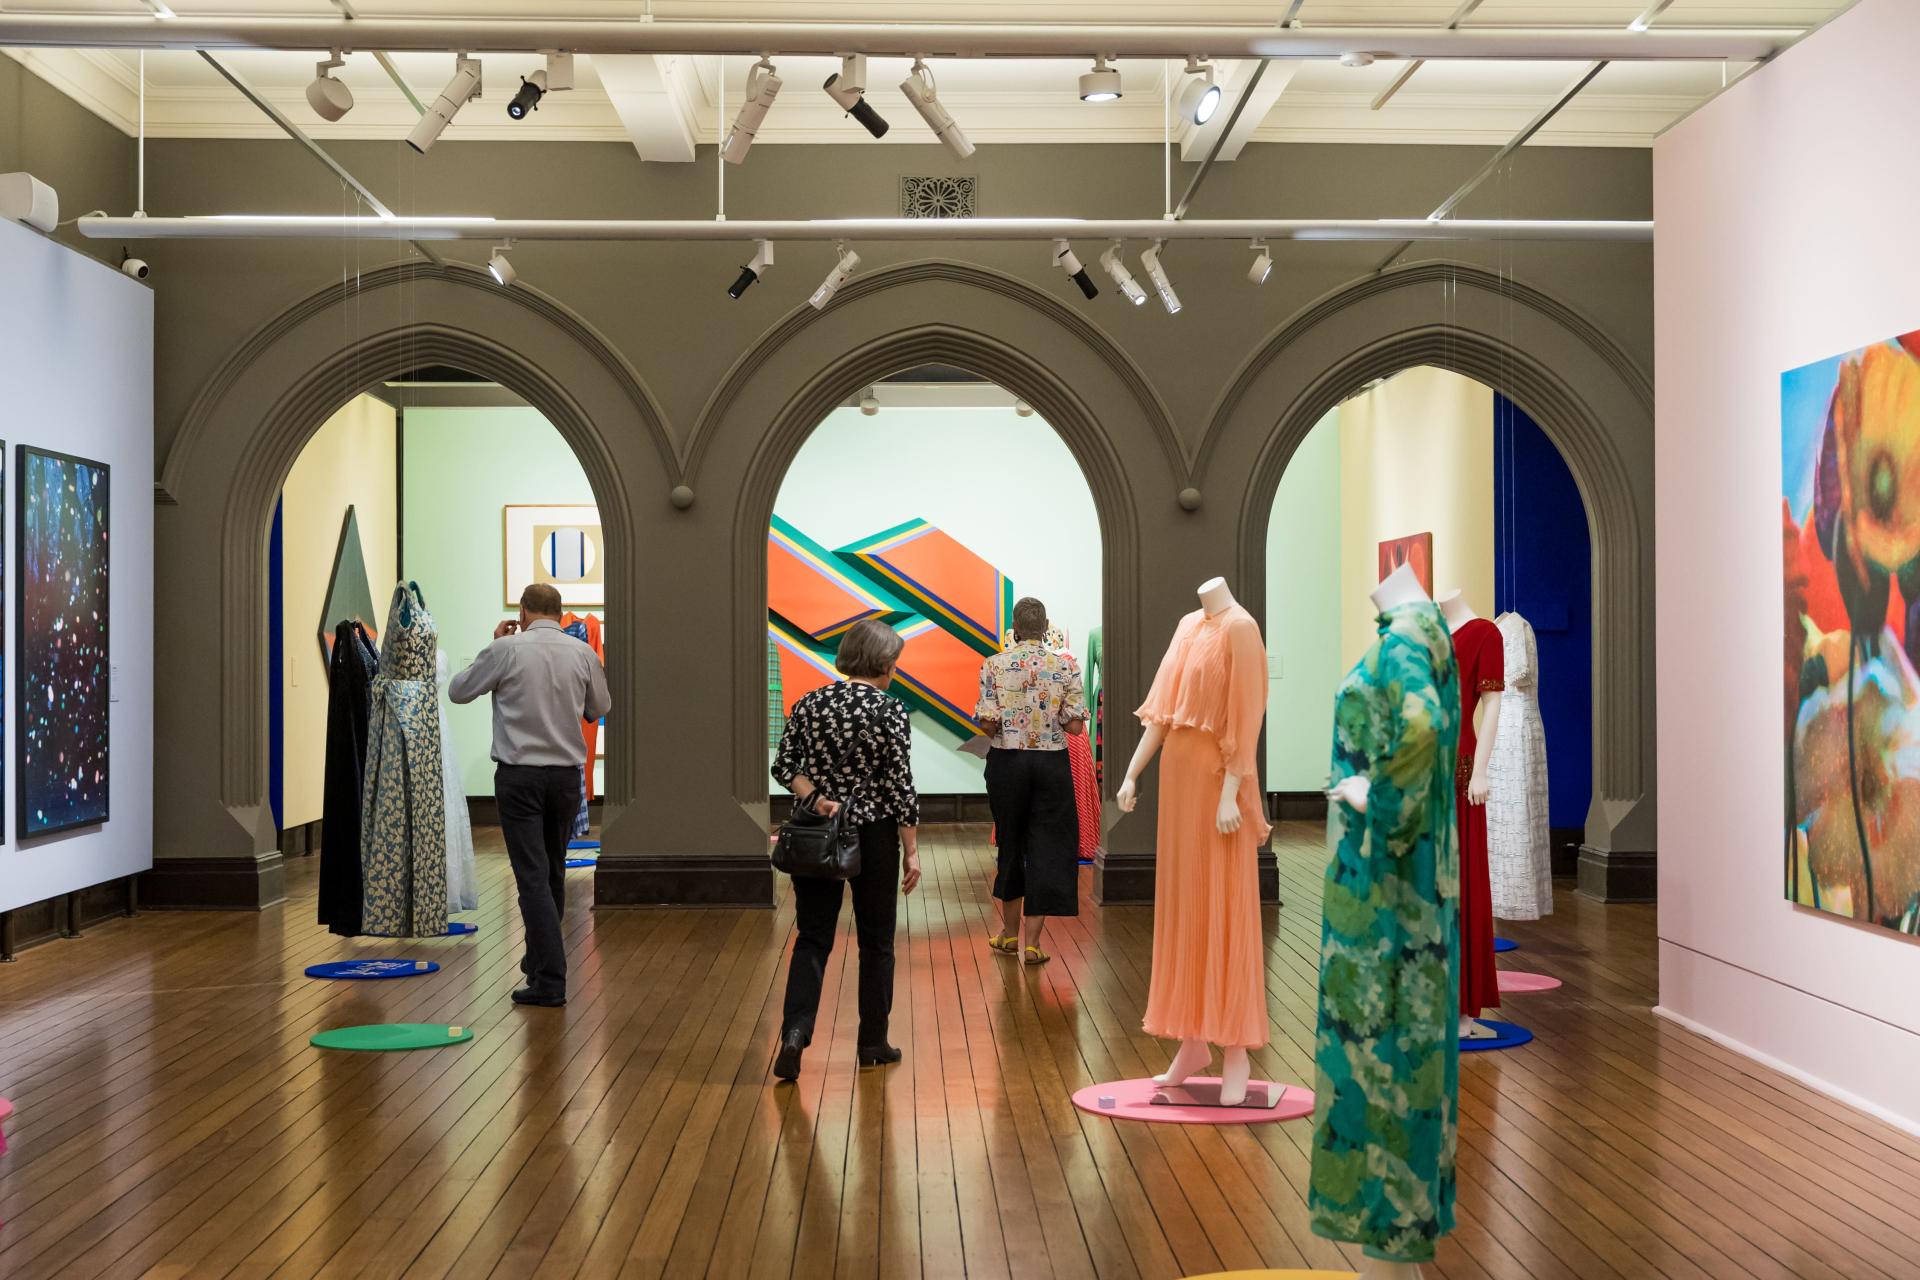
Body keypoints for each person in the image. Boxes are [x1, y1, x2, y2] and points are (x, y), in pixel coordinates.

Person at [770, 617, 922, 1081]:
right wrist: (911, 851)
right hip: (872, 837)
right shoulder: (890, 710)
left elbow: (784, 766)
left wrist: (816, 799)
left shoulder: (811, 702)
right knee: (876, 943)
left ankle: (795, 1033)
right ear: (883, 663)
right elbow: (900, 786)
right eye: (894, 661)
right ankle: (873, 1042)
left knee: (812, 938)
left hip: (818, 832)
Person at [449, 582, 611, 1008]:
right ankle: (539, 964)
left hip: (519, 777)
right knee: (553, 872)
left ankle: (551, 978)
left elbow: (459, 690)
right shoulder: (583, 653)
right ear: (560, 613)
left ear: (522, 612)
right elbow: (602, 706)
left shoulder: (507, 650)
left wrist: (494, 644)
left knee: (532, 878)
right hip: (565, 779)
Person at [974, 596, 1088, 965]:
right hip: (1051, 765)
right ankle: (1034, 944)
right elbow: (1074, 726)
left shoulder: (993, 664)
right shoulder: (1064, 666)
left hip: (1008, 762)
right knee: (1048, 847)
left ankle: (1008, 935)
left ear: (1014, 627)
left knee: (1011, 842)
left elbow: (988, 724)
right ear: (1046, 625)